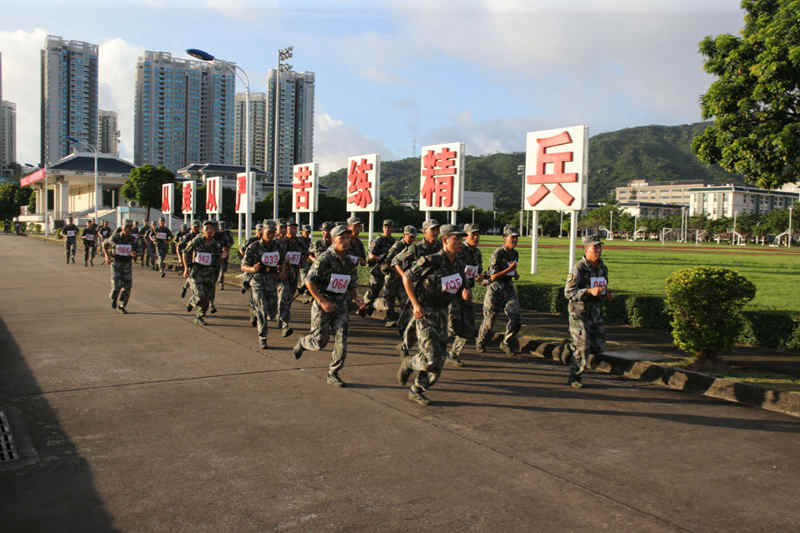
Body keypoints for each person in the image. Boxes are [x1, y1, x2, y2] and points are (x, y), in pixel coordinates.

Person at [396, 224, 467, 406]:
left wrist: (464, 291)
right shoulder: (431, 260)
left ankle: (417, 389)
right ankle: (409, 363)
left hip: (442, 312)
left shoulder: (459, 263)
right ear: (445, 240)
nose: (460, 242)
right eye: (456, 239)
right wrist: (415, 304)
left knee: (439, 359)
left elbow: (460, 283)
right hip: (425, 312)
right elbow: (407, 277)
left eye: (461, 238)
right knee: (430, 357)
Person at [292, 224, 364, 387]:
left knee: (341, 341)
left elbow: (351, 284)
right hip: (323, 303)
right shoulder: (324, 258)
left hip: (341, 305)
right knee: (319, 342)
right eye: (342, 238)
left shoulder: (349, 261)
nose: (346, 241)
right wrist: (322, 301)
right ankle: (303, 342)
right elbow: (309, 281)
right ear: (333, 240)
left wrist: (357, 298)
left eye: (348, 238)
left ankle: (333, 373)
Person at [564, 236, 612, 388]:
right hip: (579, 312)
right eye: (594, 247)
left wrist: (606, 294)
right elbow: (568, 292)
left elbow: (602, 287)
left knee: (598, 347)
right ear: (586, 250)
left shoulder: (602, 268)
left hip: (595, 311)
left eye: (599, 247)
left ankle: (569, 347)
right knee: (583, 346)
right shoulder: (579, 268)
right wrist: (588, 291)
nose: (598, 250)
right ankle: (575, 377)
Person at [392, 219, 441, 355]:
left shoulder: (440, 247)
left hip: (435, 290)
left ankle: (409, 345)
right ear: (424, 231)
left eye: (437, 229)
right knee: (415, 317)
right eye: (432, 229)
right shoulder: (416, 248)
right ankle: (417, 349)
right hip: (417, 289)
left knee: (423, 319)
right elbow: (395, 260)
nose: (435, 232)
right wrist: (404, 276)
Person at [476, 225, 521, 355]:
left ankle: (506, 343)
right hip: (495, 288)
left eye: (516, 238)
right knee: (490, 320)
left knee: (516, 317)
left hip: (508, 287)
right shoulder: (498, 253)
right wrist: (509, 270)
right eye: (512, 237)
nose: (515, 240)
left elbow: (512, 270)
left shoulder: (515, 254)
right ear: (505, 238)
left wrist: (515, 273)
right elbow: (493, 276)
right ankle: (481, 341)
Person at [240, 221, 283, 349]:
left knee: (273, 310)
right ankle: (262, 337)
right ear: (262, 232)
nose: (271, 234)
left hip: (271, 281)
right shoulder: (253, 247)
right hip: (257, 281)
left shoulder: (277, 246)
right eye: (268, 232)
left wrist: (282, 271)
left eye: (273, 232)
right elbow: (243, 266)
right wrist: (252, 269)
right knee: (262, 309)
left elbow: (282, 261)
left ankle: (254, 309)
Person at [447, 223, 484, 366]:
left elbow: (476, 271)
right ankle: (429, 349)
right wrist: (463, 287)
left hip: (466, 292)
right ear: (466, 236)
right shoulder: (459, 250)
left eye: (477, 234)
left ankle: (454, 353)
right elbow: (455, 271)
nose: (476, 237)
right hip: (453, 292)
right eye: (473, 234)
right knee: (450, 327)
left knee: (468, 325)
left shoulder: (477, 252)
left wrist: (480, 277)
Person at [183, 220, 225, 325]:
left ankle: (199, 316)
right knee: (200, 295)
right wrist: (186, 268)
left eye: (211, 229)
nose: (209, 231)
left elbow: (218, 259)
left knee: (206, 298)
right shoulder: (197, 240)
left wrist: (222, 256)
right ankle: (192, 302)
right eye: (207, 229)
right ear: (203, 230)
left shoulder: (215, 244)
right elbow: (185, 252)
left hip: (209, 273)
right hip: (196, 272)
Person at [382, 225, 417, 327]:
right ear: (404, 235)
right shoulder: (398, 246)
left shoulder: (412, 247)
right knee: (390, 299)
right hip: (392, 276)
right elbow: (387, 262)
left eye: (414, 237)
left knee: (405, 299)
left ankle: (403, 320)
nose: (412, 239)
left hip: (403, 277)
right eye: (410, 236)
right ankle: (389, 319)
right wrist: (399, 272)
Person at [360, 219, 396, 317]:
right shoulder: (378, 240)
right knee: (373, 291)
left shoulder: (393, 241)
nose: (387, 229)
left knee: (388, 291)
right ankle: (363, 307)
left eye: (389, 227)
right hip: (377, 269)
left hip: (387, 270)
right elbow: (371, 255)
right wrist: (380, 258)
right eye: (385, 227)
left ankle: (389, 313)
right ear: (383, 228)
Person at [276, 220, 306, 337]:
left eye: (294, 228)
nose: (291, 230)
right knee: (283, 295)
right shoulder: (281, 242)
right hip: (283, 274)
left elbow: (304, 254)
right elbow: (278, 258)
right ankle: (285, 324)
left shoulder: (300, 242)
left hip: (294, 274)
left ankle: (281, 315)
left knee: (289, 298)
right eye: (289, 227)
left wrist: (301, 263)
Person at [102, 219, 137, 313]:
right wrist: (107, 256)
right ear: (122, 227)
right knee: (116, 287)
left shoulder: (133, 240)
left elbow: (138, 251)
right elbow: (104, 244)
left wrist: (135, 254)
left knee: (127, 287)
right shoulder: (115, 237)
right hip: (116, 264)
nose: (128, 229)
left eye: (130, 228)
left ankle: (122, 305)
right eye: (126, 227)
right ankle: (114, 298)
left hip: (127, 265)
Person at [177, 221, 201, 299]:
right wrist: (180, 259)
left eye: (198, 227)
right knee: (192, 277)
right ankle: (195, 295)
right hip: (189, 259)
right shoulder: (188, 236)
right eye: (195, 227)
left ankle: (185, 287)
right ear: (191, 227)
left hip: (199, 259)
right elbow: (179, 247)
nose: (196, 228)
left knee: (193, 277)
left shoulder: (201, 236)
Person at [215, 220, 234, 290]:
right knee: (216, 267)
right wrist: (218, 246)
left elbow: (232, 242)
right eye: (220, 226)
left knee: (223, 268)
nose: (222, 228)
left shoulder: (228, 233)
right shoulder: (215, 233)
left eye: (223, 226)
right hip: (216, 253)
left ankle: (221, 280)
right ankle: (218, 280)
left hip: (225, 252)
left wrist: (227, 247)